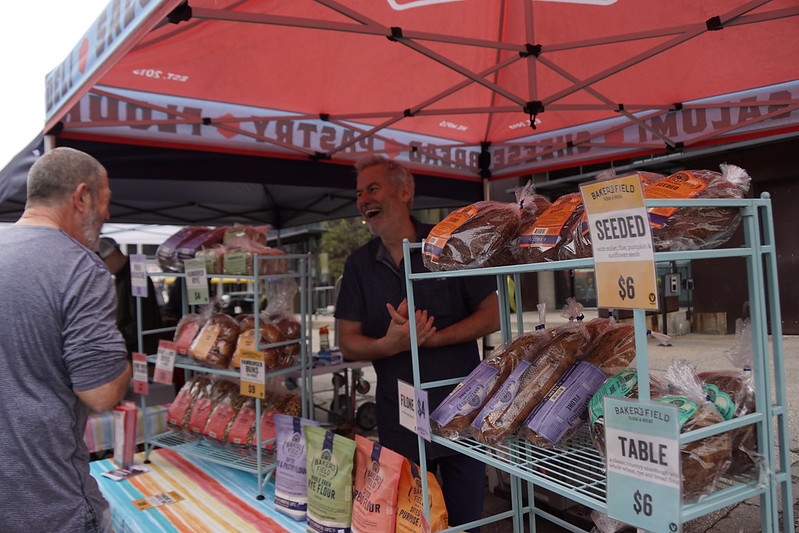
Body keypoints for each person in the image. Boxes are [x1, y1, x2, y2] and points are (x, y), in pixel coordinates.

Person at [335, 156, 500, 531]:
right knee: (408, 522)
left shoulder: (448, 244)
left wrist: (437, 337)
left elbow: (493, 315)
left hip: (461, 412)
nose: (363, 199)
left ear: (405, 191)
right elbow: (347, 344)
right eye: (359, 193)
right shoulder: (358, 264)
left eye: (372, 188)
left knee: (463, 521)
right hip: (399, 419)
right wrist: (390, 345)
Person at [0, 147, 131, 533]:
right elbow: (102, 393)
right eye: (105, 201)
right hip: (48, 499)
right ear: (81, 197)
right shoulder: (78, 267)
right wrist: (126, 363)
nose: (107, 215)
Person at [98, 236, 164, 357]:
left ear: (113, 254)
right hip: (130, 347)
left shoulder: (135, 277)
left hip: (140, 350)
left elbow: (143, 320)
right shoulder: (121, 277)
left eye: (103, 262)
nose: (103, 268)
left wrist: (114, 339)